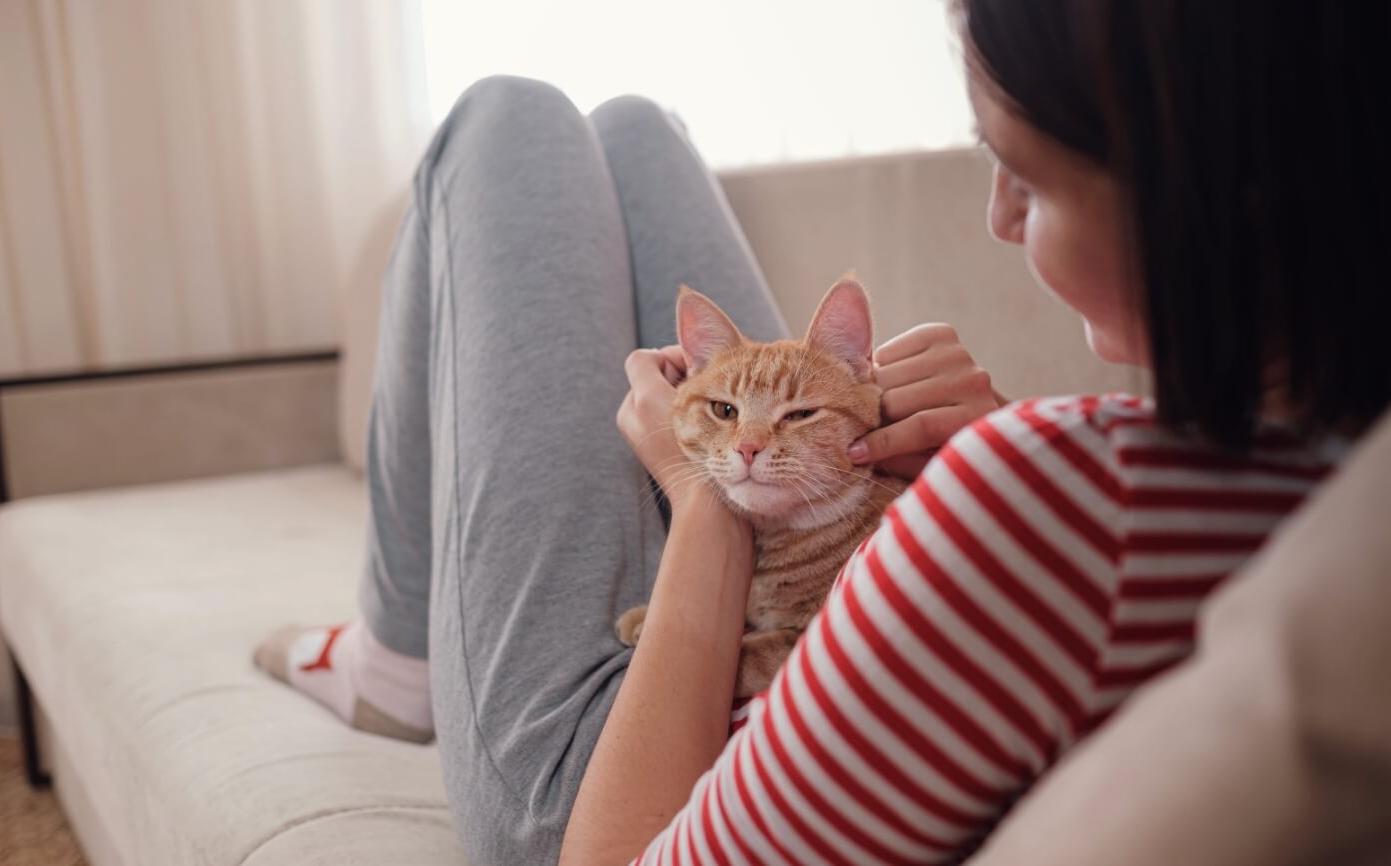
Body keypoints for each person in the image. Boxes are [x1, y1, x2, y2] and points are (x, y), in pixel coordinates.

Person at [255, 1, 1390, 863]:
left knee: (500, 117)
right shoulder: (1311, 472)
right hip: (761, 610)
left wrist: (695, 483)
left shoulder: (1057, 502)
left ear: (1204, 176)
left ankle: (395, 656)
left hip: (611, 765)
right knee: (637, 129)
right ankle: (394, 643)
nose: (995, 218)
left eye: (1022, 172)